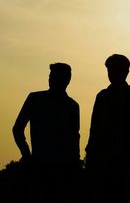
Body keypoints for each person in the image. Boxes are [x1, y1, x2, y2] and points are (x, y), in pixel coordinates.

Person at [13, 63, 80, 203]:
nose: (50, 80)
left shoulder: (72, 106)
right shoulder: (35, 99)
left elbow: (74, 138)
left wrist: (74, 166)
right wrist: (27, 155)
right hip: (40, 167)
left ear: (67, 80)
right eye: (50, 76)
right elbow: (17, 129)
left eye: (54, 77)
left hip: (63, 170)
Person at [85, 54, 130, 203]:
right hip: (102, 160)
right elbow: (94, 130)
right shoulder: (102, 96)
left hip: (124, 161)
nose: (111, 74)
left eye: (115, 70)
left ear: (126, 72)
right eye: (110, 70)